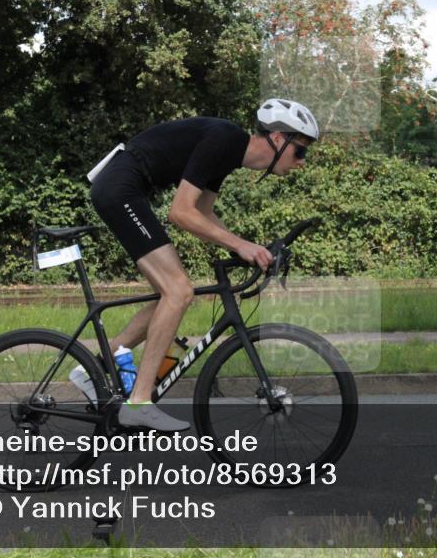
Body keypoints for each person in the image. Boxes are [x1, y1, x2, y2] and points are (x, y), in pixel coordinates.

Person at [82, 99, 319, 431]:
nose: (301, 163)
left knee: (170, 294)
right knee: (178, 290)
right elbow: (180, 213)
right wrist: (240, 245)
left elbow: (204, 212)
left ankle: (94, 367)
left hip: (124, 188)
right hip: (120, 188)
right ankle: (138, 403)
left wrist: (248, 250)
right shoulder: (226, 139)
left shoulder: (229, 154)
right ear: (278, 139)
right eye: (301, 151)